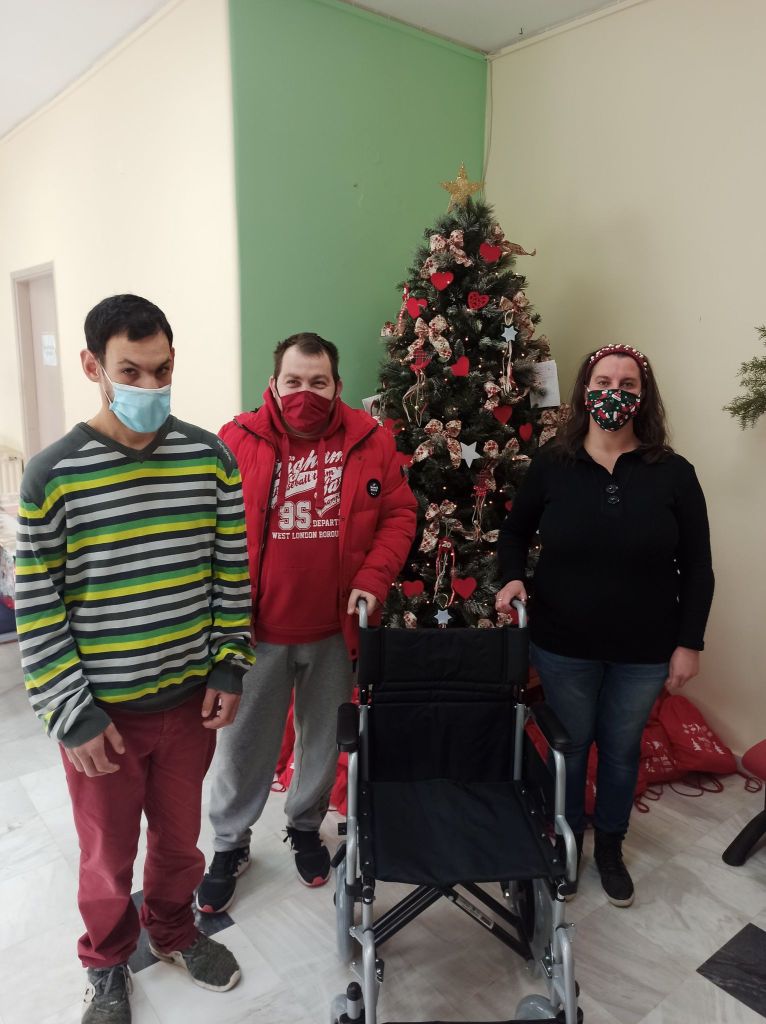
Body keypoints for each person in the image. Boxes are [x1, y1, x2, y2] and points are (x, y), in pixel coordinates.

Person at [15, 295, 254, 1023]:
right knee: (106, 857)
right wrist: (71, 713)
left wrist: (229, 664)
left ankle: (175, 931)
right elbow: (38, 607)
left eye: (162, 371)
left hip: (187, 706)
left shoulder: (209, 459)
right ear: (93, 367)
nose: (150, 387)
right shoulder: (53, 474)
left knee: (181, 844)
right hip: (103, 719)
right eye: (131, 372)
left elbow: (230, 573)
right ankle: (108, 960)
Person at [197, 332, 417, 912]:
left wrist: (374, 577)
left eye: (318, 383)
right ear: (273, 384)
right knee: (242, 746)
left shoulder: (370, 439)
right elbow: (209, 527)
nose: (305, 393)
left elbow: (399, 513)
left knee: (322, 742)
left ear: (337, 385)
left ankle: (303, 826)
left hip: (333, 634)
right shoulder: (236, 439)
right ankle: (229, 843)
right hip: (256, 633)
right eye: (293, 381)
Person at [495, 344, 714, 907]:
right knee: (570, 747)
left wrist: (689, 643)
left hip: (645, 650)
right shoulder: (553, 464)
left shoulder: (674, 473)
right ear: (585, 391)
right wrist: (512, 577)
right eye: (603, 381)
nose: (614, 391)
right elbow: (515, 533)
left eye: (627, 384)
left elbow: (698, 567)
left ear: (643, 397)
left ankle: (611, 847)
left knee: (620, 750)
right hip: (563, 645)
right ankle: (567, 843)